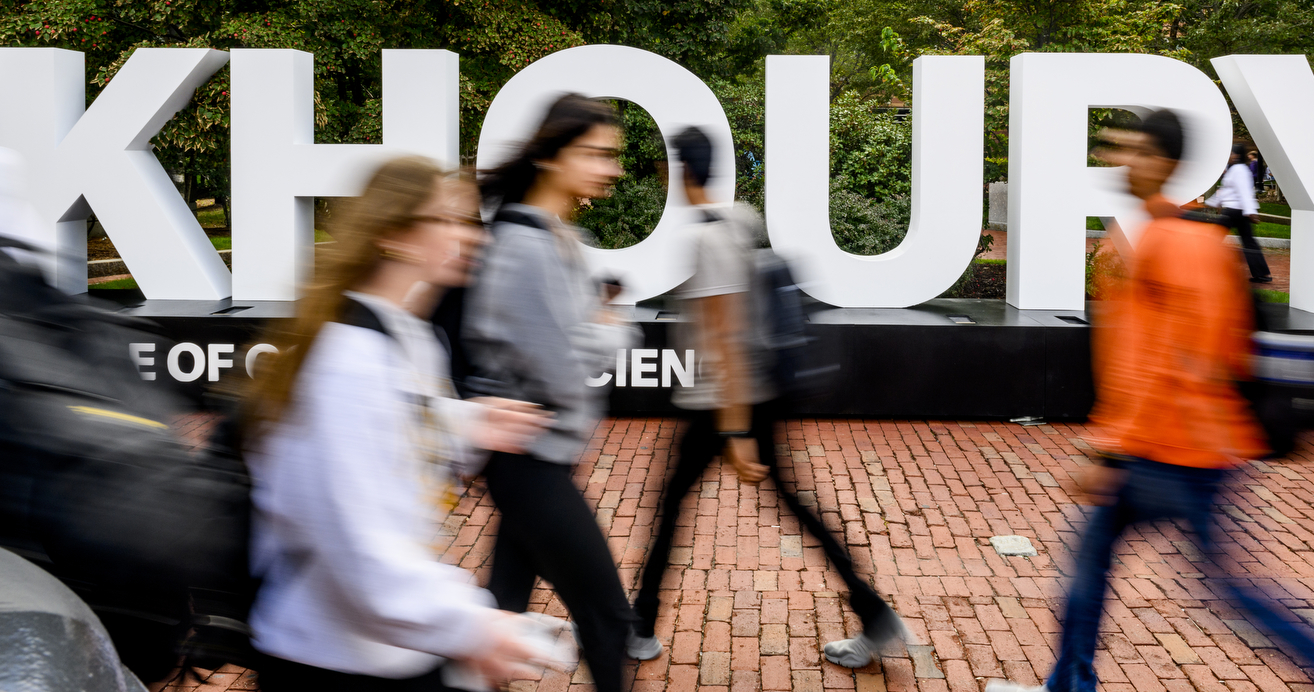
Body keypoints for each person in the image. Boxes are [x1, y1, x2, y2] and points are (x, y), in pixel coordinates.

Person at [987, 112, 1314, 692]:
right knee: (1189, 577)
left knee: (1219, 585)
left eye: (1134, 150)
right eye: (1116, 148)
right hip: (1185, 446)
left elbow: (1178, 358)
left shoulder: (1175, 243)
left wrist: (1113, 450)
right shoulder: (1171, 235)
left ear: (1165, 163)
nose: (1119, 161)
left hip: (1173, 451)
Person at [244, 156, 551, 692]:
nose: (472, 237)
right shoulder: (349, 360)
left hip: (383, 647)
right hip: (327, 658)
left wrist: (469, 422)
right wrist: (476, 628)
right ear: (395, 235)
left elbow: (401, 431)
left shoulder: (407, 337)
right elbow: (362, 552)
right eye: (448, 220)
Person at [628, 125, 909, 670]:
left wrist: (735, 431)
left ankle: (639, 628)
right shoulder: (736, 221)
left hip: (725, 403)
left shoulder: (708, 240)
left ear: (680, 172)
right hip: (754, 394)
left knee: (672, 506)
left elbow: (727, 336)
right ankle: (873, 612)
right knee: (784, 504)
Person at [465, 94, 641, 692]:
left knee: (501, 612)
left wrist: (589, 331)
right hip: (529, 460)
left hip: (537, 456)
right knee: (609, 619)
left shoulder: (554, 236)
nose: (611, 168)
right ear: (550, 156)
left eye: (611, 155)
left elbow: (563, 353)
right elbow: (564, 373)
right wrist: (609, 329)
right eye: (595, 153)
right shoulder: (526, 248)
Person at [1206, 142, 1272, 283]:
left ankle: (1202, 265)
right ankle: (1261, 274)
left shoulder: (1239, 170)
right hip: (1239, 212)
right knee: (1249, 242)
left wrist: (1251, 211)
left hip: (1233, 211)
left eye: (1231, 154)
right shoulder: (1236, 169)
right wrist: (1215, 203)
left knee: (1213, 238)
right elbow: (1227, 190)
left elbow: (1244, 192)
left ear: (1236, 155)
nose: (1229, 156)